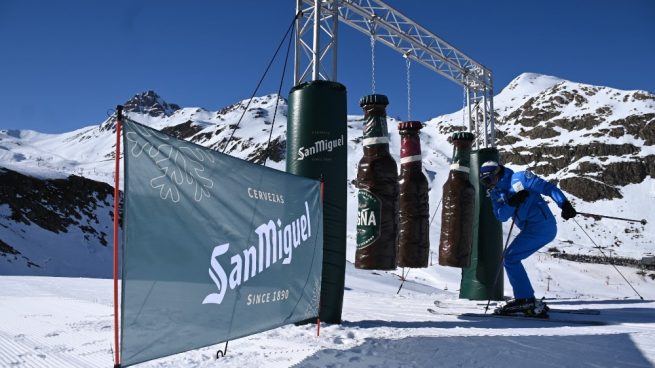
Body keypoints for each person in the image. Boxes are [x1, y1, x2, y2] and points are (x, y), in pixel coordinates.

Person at [479, 161, 577, 316]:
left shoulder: (520, 178)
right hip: (530, 228)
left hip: (542, 226)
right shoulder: (496, 193)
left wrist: (564, 204)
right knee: (510, 258)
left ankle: (525, 299)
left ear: (497, 174)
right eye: (484, 182)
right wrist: (511, 203)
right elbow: (501, 216)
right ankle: (525, 298)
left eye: (488, 180)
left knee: (510, 258)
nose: (488, 185)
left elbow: (547, 187)